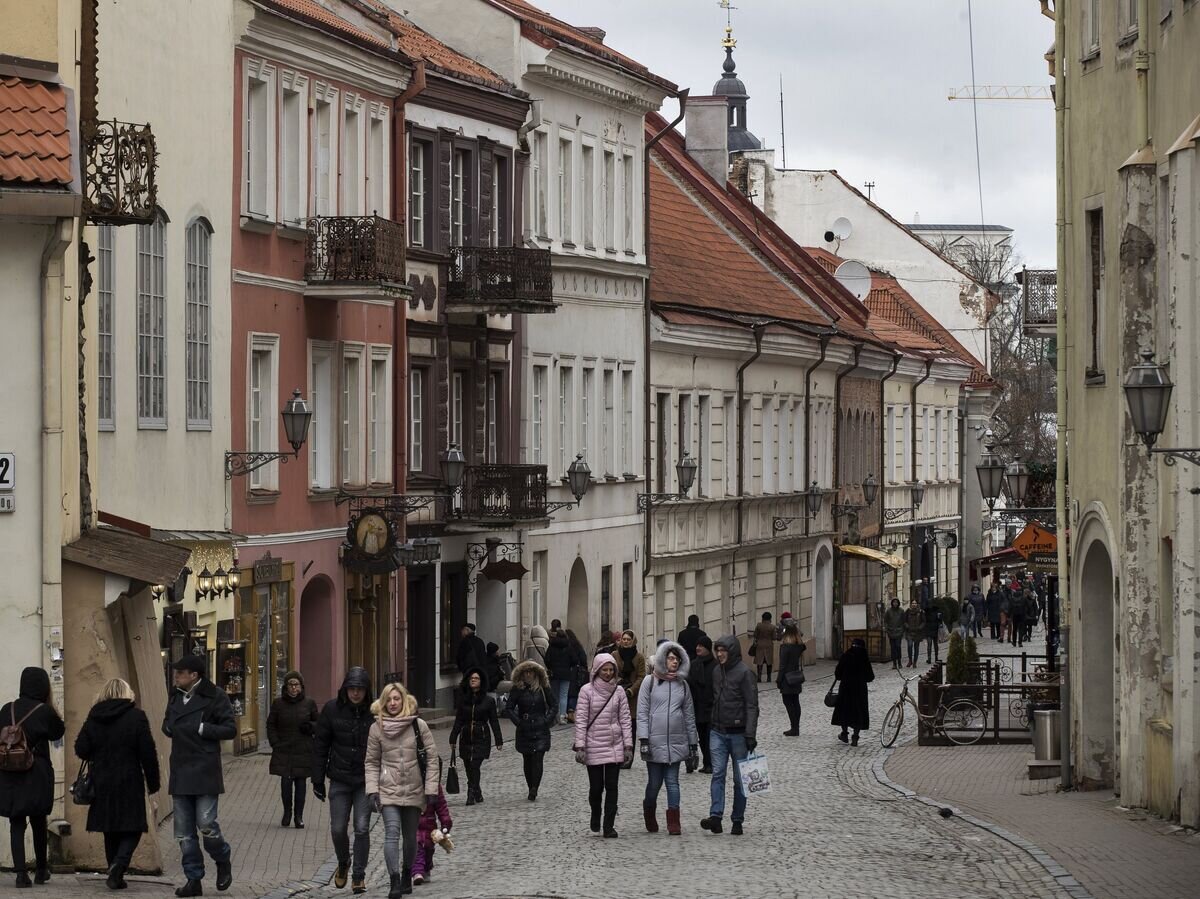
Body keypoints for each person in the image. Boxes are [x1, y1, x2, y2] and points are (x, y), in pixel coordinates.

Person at [74, 678, 161, 891]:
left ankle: (114, 871)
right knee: (134, 827)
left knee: (109, 828)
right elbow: (147, 752)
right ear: (126, 693)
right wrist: (153, 783)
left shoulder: (94, 716)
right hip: (129, 779)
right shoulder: (136, 717)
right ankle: (118, 866)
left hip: (101, 780)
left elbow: (81, 748)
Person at [162, 655, 236, 898]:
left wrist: (203, 729)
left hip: (204, 769)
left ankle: (222, 858)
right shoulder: (175, 696)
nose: (176, 676)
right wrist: (169, 727)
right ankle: (193, 878)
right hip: (181, 768)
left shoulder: (216, 696)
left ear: (194, 675)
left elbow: (230, 729)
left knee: (206, 825)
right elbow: (167, 723)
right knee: (184, 833)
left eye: (180, 673)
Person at [364, 682, 439, 898]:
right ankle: (394, 880)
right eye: (389, 699)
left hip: (415, 790)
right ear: (383, 702)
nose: (393, 703)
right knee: (391, 833)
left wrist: (431, 789)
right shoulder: (376, 728)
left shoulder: (418, 725)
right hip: (388, 790)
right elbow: (371, 761)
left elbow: (432, 759)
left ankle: (407, 872)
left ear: (404, 700)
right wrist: (372, 790)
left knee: (410, 838)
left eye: (397, 698)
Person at [1, 667, 65, 888]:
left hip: (10, 772)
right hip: (36, 771)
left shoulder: (6, 708)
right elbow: (58, 732)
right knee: (38, 820)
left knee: (16, 821)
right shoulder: (44, 711)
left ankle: (20, 875)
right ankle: (40, 870)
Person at [313, 666, 374, 894]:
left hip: (365, 780)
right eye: (352, 689)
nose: (355, 693)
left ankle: (358, 874)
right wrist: (317, 779)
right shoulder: (331, 710)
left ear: (366, 691)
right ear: (345, 689)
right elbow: (320, 745)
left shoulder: (374, 712)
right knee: (338, 829)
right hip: (339, 777)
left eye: (359, 689)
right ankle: (343, 862)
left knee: (361, 828)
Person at [637, 641, 698, 836]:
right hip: (654, 742)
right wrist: (644, 739)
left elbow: (689, 715)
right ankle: (649, 811)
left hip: (676, 742)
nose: (674, 662)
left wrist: (693, 744)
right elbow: (642, 712)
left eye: (677, 659)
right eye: (671, 658)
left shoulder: (683, 685)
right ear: (663, 659)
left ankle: (674, 821)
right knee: (654, 784)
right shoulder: (650, 681)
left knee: (673, 782)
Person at [700, 636, 758, 837]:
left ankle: (737, 819)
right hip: (717, 731)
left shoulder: (744, 673)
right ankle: (715, 816)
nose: (719, 654)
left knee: (740, 780)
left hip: (739, 734)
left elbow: (752, 705)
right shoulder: (717, 671)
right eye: (718, 650)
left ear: (732, 652)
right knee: (717, 774)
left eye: (723, 650)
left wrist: (750, 734)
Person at [572, 652, 632, 838]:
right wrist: (580, 746)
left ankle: (609, 825)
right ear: (597, 671)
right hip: (593, 743)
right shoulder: (586, 691)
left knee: (612, 787)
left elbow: (625, 719)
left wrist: (628, 745)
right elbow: (581, 719)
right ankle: (596, 813)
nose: (607, 673)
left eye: (610, 670)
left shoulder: (619, 691)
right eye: (604, 670)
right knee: (596, 787)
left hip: (614, 743)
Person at [267, 670, 318, 830]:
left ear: (301, 687)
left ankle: (299, 816)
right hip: (284, 748)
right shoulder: (278, 703)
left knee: (301, 783)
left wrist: (311, 726)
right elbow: (271, 724)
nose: (293, 688)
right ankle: (287, 812)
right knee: (286, 782)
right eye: (290, 684)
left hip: (303, 748)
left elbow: (319, 723)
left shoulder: (309, 703)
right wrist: (274, 742)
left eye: (296, 685)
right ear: (286, 686)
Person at [448, 668, 503, 806]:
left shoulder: (488, 701)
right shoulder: (463, 700)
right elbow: (459, 720)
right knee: (467, 765)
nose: (473, 680)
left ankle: (471, 792)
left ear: (481, 682)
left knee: (475, 765)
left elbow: (494, 721)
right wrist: (453, 737)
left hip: (481, 736)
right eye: (471, 678)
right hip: (466, 736)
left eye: (476, 678)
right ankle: (477, 791)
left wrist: (498, 739)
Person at [504, 660, 555, 801]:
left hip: (540, 728)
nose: (528, 675)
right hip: (524, 729)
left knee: (538, 758)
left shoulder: (543, 687)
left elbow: (553, 705)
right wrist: (518, 722)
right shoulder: (517, 689)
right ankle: (530, 786)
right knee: (527, 759)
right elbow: (509, 708)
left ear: (536, 673)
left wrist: (546, 720)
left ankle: (534, 788)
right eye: (525, 672)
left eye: (530, 672)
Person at [832, 638, 875, 746]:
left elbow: (838, 674)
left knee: (844, 710)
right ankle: (855, 736)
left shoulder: (846, 655)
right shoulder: (864, 657)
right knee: (858, 712)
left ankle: (844, 733)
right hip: (860, 689)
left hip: (846, 688)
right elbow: (870, 676)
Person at [411, 779, 451, 886]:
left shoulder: (433, 785)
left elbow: (441, 806)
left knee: (428, 848)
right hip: (414, 822)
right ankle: (417, 872)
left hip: (429, 823)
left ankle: (427, 867)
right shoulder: (410, 784)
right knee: (417, 846)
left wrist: (445, 823)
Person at [614, 631, 645, 768]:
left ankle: (628, 758)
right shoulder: (614, 655)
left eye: (628, 639)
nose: (625, 641)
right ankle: (617, 755)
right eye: (623, 639)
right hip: (617, 694)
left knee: (631, 728)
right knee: (617, 728)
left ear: (633, 641)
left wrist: (632, 690)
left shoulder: (639, 657)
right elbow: (611, 672)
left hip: (632, 696)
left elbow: (641, 676)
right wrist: (619, 683)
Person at [687, 636, 716, 773]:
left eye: (701, 646)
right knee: (702, 737)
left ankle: (711, 763)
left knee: (710, 737)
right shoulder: (693, 664)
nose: (698, 648)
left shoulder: (715, 665)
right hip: (698, 706)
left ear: (708, 648)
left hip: (712, 707)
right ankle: (706, 762)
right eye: (697, 645)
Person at [776, 625, 804, 736]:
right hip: (796, 677)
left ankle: (794, 728)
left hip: (787, 678)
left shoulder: (785, 647)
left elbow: (782, 666)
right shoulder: (799, 646)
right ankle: (796, 726)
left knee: (788, 702)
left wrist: (779, 680)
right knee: (795, 701)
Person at [543, 628, 573, 724]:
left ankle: (555, 716)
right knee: (564, 695)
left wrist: (551, 667)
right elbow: (575, 659)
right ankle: (562, 716)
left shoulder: (552, 646)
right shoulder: (568, 646)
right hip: (566, 674)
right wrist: (569, 666)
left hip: (554, 674)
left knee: (555, 695)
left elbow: (547, 659)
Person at [564, 629, 589, 723]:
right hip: (577, 672)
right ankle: (571, 711)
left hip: (567, 672)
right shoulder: (577, 646)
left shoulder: (565, 646)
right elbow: (583, 659)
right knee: (574, 693)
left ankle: (568, 712)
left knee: (566, 692)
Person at [752, 612, 776, 683]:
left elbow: (755, 635)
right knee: (769, 662)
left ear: (763, 618)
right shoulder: (772, 627)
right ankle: (769, 678)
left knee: (760, 662)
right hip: (769, 645)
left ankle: (759, 677)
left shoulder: (759, 626)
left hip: (760, 644)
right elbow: (774, 637)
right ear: (770, 618)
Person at [883, 597, 905, 670]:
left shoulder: (901, 611)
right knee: (893, 648)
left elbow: (903, 621)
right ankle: (894, 663)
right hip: (891, 632)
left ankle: (899, 662)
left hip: (899, 632)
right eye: (894, 602)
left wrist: (902, 630)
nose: (895, 603)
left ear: (898, 603)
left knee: (898, 647)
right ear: (892, 603)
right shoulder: (888, 611)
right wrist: (887, 629)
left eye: (896, 602)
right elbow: (885, 621)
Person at [902, 599, 925, 668]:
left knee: (916, 647)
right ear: (911, 604)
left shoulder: (921, 612)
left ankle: (915, 662)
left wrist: (920, 627)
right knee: (910, 645)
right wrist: (907, 626)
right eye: (912, 603)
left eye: (915, 603)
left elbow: (923, 621)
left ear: (917, 604)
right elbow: (904, 621)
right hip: (909, 632)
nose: (914, 604)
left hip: (917, 632)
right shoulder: (907, 611)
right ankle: (910, 660)